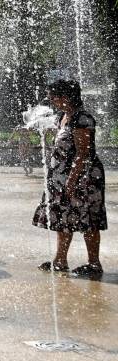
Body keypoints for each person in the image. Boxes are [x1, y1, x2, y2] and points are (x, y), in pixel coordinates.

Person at [33, 80, 107, 277]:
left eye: (53, 96)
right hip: (62, 176)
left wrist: (71, 181)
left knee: (87, 218)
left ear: (65, 97)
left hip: (83, 178)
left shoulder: (82, 119)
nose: (50, 100)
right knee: (63, 217)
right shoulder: (63, 117)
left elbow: (83, 154)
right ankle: (60, 260)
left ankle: (94, 264)